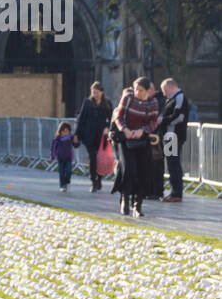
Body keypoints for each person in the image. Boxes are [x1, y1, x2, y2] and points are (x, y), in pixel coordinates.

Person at [110, 77, 160, 217]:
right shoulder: (128, 97)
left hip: (142, 138)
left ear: (147, 91)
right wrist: (125, 130)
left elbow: (154, 122)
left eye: (141, 90)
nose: (137, 92)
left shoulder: (153, 102)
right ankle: (125, 200)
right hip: (126, 138)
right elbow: (118, 117)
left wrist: (142, 131)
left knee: (143, 170)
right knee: (128, 169)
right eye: (136, 89)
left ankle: (138, 204)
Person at [74, 81, 113, 192]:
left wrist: (108, 128)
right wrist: (76, 134)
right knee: (92, 157)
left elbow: (112, 118)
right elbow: (81, 118)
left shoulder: (107, 103)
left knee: (100, 157)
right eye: (93, 92)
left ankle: (99, 178)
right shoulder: (87, 102)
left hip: (101, 135)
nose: (95, 95)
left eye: (96, 92)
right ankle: (93, 180)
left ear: (101, 92)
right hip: (89, 134)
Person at [158, 78, 190, 202]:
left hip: (173, 135)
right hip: (169, 135)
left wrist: (162, 120)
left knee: (174, 164)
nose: (163, 93)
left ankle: (176, 193)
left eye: (164, 90)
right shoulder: (172, 98)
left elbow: (179, 117)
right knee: (171, 164)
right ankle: (174, 192)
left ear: (170, 87)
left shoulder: (180, 97)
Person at [51, 121, 75, 191]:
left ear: (69, 131)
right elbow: (53, 148)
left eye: (67, 131)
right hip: (60, 157)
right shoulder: (57, 139)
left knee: (68, 171)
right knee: (61, 172)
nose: (65, 133)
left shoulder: (71, 138)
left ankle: (67, 181)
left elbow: (75, 144)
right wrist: (53, 155)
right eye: (63, 131)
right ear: (60, 131)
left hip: (68, 157)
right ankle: (62, 185)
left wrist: (77, 140)